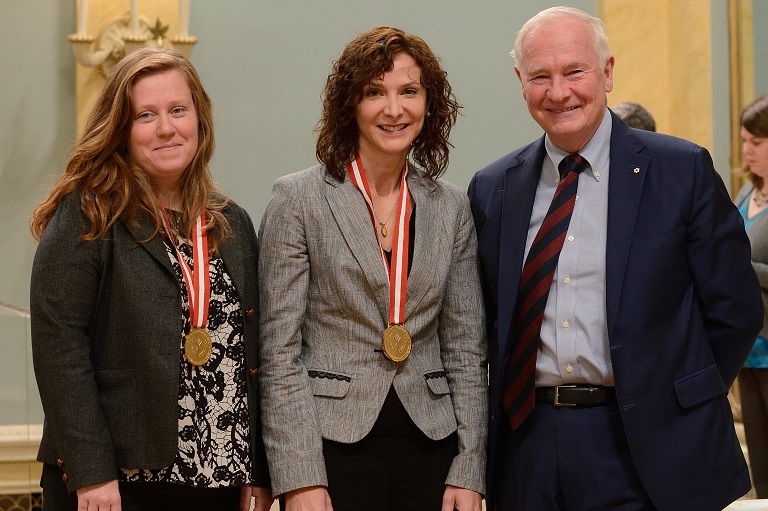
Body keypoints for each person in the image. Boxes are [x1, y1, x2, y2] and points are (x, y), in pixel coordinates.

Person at [468, 6, 762, 510]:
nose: (559, 92)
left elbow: (735, 310)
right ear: (521, 82)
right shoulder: (493, 188)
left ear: (606, 72)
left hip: (649, 443)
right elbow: (486, 321)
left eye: (574, 71)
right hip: (527, 446)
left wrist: (676, 394)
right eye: (541, 76)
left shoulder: (680, 170)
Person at [29, 47, 272, 511]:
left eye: (178, 110)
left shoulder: (230, 223)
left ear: (199, 119)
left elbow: (254, 352)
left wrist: (257, 469)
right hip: (117, 483)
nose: (167, 128)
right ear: (120, 129)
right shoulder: (90, 212)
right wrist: (91, 473)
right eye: (146, 115)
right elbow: (59, 348)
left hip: (218, 478)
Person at [258, 26, 487, 511]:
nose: (393, 109)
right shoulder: (297, 199)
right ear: (350, 104)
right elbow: (280, 351)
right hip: (330, 445)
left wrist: (470, 468)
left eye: (409, 91)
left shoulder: (451, 207)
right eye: (374, 93)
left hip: (433, 443)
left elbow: (466, 349)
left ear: (430, 104)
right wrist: (298, 478)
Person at [734, 93, 768, 498]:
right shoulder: (746, 193)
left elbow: (738, 257)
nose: (746, 150)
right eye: (744, 140)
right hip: (748, 346)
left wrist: (741, 265)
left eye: (756, 143)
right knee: (759, 462)